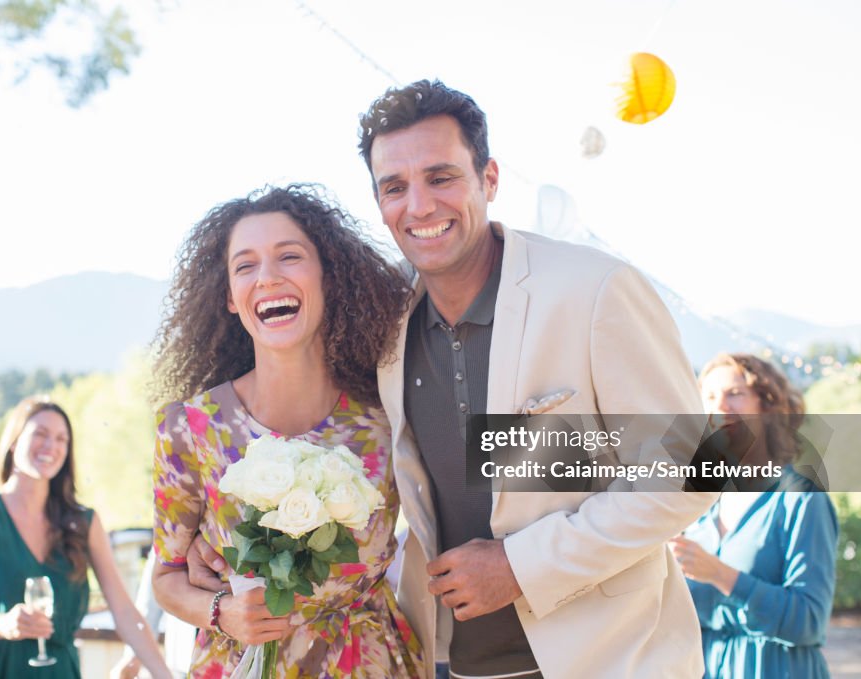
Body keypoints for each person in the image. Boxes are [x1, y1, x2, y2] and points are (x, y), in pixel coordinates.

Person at [189, 80, 718, 679]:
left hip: (610, 659)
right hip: (449, 663)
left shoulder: (595, 291)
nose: (418, 206)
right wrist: (231, 536)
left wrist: (521, 566)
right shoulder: (382, 324)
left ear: (489, 178)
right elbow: (327, 434)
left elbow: (693, 472)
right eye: (395, 187)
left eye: (440, 177)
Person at [148, 184, 424, 677]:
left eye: (289, 256)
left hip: (369, 663)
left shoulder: (388, 416)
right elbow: (167, 576)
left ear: (329, 276)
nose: (268, 277)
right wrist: (222, 614)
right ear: (230, 298)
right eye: (245, 265)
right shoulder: (188, 429)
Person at [0, 396, 172, 679]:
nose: (51, 446)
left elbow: (126, 613)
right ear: (15, 441)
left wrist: (164, 675)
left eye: (61, 439)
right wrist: (0, 624)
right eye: (40, 434)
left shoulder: (84, 523)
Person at [670, 353, 838, 679]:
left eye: (735, 394)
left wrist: (720, 574)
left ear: (768, 408)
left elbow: (809, 621)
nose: (721, 406)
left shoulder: (801, 499)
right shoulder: (699, 504)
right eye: (710, 397)